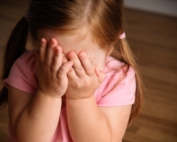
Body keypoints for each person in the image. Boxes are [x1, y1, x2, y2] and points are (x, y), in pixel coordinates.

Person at [0, 0, 143, 142]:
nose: (66, 73)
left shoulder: (118, 79)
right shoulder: (25, 69)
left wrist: (82, 98)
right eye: (55, 60)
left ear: (110, 45)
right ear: (37, 44)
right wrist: (48, 93)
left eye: (81, 63)